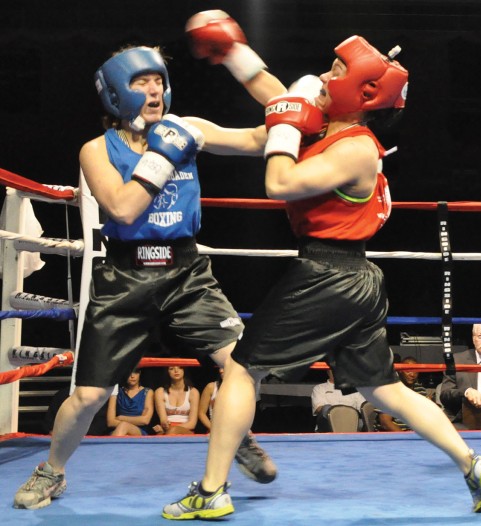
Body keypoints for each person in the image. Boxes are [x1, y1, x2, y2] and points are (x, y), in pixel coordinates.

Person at [163, 16, 481, 520]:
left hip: (326, 274)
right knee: (383, 389)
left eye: (336, 69)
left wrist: (279, 127)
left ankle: (212, 491)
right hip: (356, 280)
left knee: (241, 370)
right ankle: (473, 465)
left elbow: (279, 181)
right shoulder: (329, 129)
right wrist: (232, 53)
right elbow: (275, 98)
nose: (324, 76)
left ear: (361, 92)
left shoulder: (355, 150)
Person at [13, 34, 286, 510]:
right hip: (125, 278)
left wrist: (248, 67)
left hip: (186, 271)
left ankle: (233, 433)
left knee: (245, 364)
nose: (155, 91)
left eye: (159, 80)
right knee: (90, 395)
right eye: (142, 82)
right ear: (117, 92)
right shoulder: (96, 150)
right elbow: (119, 207)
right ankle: (51, 472)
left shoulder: (188, 127)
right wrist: (163, 157)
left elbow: (264, 136)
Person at [439, 324, 481, 429]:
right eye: (480, 336)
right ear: (473, 339)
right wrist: (466, 392)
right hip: (463, 420)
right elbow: (445, 395)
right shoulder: (457, 360)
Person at [376, 356, 433, 431]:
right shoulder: (388, 391)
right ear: (400, 371)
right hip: (393, 436)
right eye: (408, 370)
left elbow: (429, 415)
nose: (412, 374)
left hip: (414, 433)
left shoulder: (421, 390)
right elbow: (385, 423)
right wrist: (406, 438)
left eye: (415, 371)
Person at [107, 366, 154, 436]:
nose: (132, 376)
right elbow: (110, 422)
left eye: (135, 372)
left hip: (139, 431)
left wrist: (121, 418)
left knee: (124, 426)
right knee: (124, 430)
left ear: (139, 373)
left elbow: (145, 420)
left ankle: (110, 446)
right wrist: (137, 420)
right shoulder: (116, 392)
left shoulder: (147, 392)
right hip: (119, 431)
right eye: (129, 373)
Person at [153, 366, 200, 435]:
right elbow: (163, 420)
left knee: (172, 431)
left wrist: (172, 428)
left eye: (180, 367)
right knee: (161, 433)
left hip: (186, 430)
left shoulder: (193, 392)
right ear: (167, 372)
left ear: (184, 370)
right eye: (171, 368)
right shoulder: (160, 392)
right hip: (167, 429)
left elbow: (192, 424)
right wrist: (165, 425)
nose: (176, 370)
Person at [198, 369, 223, 433]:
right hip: (215, 429)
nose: (221, 370)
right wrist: (213, 429)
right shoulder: (211, 387)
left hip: (235, 430)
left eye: (224, 368)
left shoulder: (240, 387)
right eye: (220, 368)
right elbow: (201, 413)